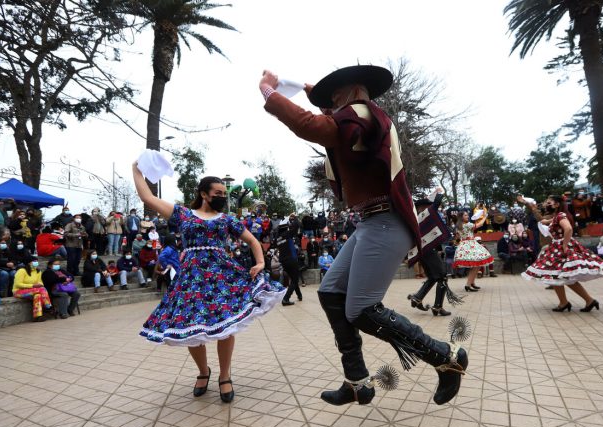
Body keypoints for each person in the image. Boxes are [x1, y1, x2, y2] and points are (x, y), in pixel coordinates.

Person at [261, 65, 468, 406]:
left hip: (385, 222)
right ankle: (357, 381)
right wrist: (313, 93)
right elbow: (332, 122)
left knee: (361, 309)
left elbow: (312, 126)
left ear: (354, 91)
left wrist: (270, 93)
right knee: (330, 292)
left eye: (335, 96)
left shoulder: (361, 114)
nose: (331, 103)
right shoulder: (360, 116)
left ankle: (445, 358)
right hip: (372, 222)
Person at [133, 167, 284, 404]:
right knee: (192, 327)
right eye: (218, 192)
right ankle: (204, 371)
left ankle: (225, 375)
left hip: (222, 278)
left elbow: (253, 241)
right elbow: (147, 198)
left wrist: (260, 262)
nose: (223, 196)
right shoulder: (182, 214)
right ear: (204, 194)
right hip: (191, 279)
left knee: (226, 326)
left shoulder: (227, 219)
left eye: (225, 192)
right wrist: (136, 169)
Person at [522, 195, 603, 312]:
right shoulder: (556, 216)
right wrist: (531, 206)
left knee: (559, 276)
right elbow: (543, 221)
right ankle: (580, 301)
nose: (547, 204)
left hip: (561, 247)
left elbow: (569, 229)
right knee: (559, 276)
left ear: (557, 204)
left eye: (549, 202)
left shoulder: (561, 215)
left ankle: (572, 302)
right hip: (557, 246)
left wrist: (565, 244)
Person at [406, 190, 461, 317]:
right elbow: (436, 203)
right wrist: (440, 192)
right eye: (427, 205)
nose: (429, 207)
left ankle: (417, 297)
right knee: (442, 276)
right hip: (428, 251)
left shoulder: (415, 218)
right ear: (422, 207)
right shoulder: (424, 214)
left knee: (433, 277)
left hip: (422, 251)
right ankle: (437, 307)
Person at [453, 210, 493, 292]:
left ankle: (472, 283)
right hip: (470, 244)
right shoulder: (467, 224)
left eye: (467, 215)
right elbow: (480, 224)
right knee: (476, 265)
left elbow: (457, 238)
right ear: (461, 217)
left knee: (476, 265)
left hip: (464, 244)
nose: (467, 216)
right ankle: (468, 285)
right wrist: (485, 216)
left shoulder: (458, 226)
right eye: (465, 215)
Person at [13, 257, 53, 322]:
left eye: (37, 261)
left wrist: (39, 284)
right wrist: (33, 285)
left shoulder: (38, 271)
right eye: (34, 261)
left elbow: (40, 282)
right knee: (42, 289)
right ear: (29, 263)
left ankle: (38, 316)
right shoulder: (22, 271)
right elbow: (18, 284)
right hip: (18, 291)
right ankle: (48, 306)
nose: (36, 262)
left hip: (32, 291)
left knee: (38, 296)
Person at [274, 220, 302, 306]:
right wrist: (294, 218)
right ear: (286, 227)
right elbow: (297, 225)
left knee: (294, 277)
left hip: (283, 260)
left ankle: (299, 295)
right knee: (295, 279)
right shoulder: (287, 234)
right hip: (291, 259)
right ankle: (286, 299)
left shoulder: (277, 238)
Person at [0, 232, 18, 297]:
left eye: (5, 243)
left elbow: (14, 259)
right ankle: (2, 294)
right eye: (2, 243)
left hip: (8, 268)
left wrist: (12, 263)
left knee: (14, 273)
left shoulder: (7, 250)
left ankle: (11, 292)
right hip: (0, 268)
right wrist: (6, 264)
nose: (4, 244)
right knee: (4, 274)